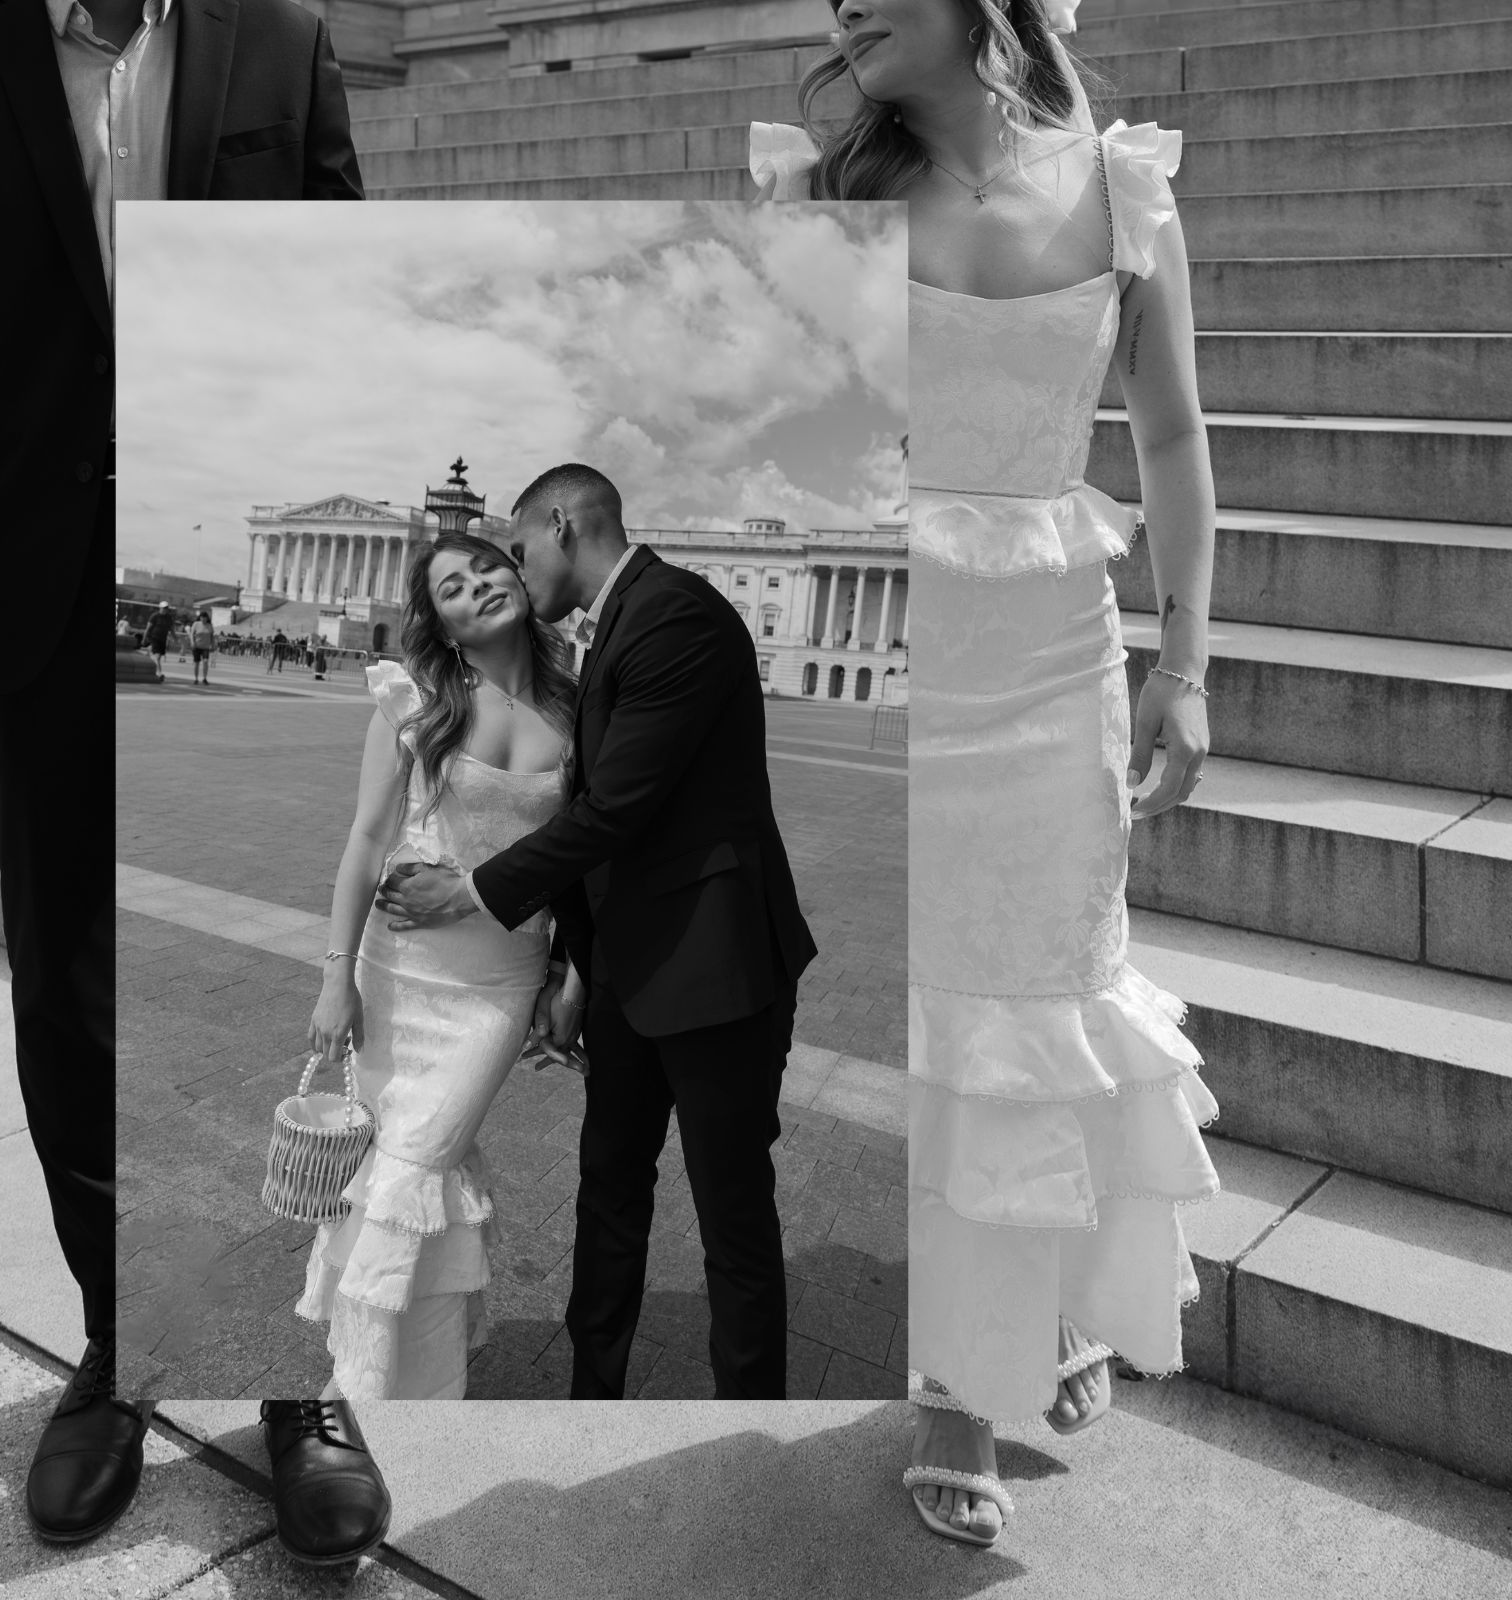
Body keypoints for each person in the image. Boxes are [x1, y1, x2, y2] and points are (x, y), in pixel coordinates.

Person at [0, 0, 387, 1558]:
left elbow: (334, 304)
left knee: (260, 991)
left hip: (200, 576)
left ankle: (288, 1370)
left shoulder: (282, 45)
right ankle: (122, 1341)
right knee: (69, 992)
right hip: (37, 592)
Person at [755, 0, 1218, 1549]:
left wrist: (1190, 664)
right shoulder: (824, 192)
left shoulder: (1122, 185)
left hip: (1051, 669)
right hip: (905, 673)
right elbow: (785, 426)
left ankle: (1045, 1304)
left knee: (1046, 1010)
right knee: (927, 1023)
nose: (845, 8)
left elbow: (1168, 440)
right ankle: (957, 1379)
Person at [376, 464, 818, 1401]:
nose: (515, 568)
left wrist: (472, 892)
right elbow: (597, 823)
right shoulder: (612, 630)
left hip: (718, 973)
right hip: (628, 972)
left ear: (564, 523)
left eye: (521, 547)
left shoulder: (676, 617)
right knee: (609, 1197)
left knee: (731, 1216)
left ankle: (752, 1413)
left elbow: (613, 811)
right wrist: (577, 965)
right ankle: (593, 1389)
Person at [297, 531, 578, 1400]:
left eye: (488, 566)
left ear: (518, 575)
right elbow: (368, 839)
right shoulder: (415, 696)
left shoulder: (579, 705)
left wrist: (574, 975)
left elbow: (587, 855)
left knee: (420, 1159)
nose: (478, 587)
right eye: (452, 587)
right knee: (402, 1172)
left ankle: (377, 1384)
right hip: (400, 970)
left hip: (499, 984)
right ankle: (391, 1385)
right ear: (441, 623)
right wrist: (333, 975)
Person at [145, 602, 175, 670]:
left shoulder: (169, 617)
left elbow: (171, 629)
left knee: (159, 656)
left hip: (163, 639)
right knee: (157, 656)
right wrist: (144, 638)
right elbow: (148, 628)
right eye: (164, 608)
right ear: (160, 608)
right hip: (154, 637)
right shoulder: (154, 616)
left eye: (166, 608)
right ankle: (159, 673)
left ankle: (149, 649)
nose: (165, 609)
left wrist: (175, 638)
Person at [188, 611, 215, 686]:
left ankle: (204, 678)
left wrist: (213, 645)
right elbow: (191, 634)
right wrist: (192, 642)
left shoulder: (209, 626)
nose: (203, 619)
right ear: (200, 618)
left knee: (205, 661)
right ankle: (196, 678)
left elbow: (212, 637)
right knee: (197, 663)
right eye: (202, 617)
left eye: (205, 618)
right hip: (197, 646)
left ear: (207, 618)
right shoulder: (196, 624)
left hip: (205, 647)